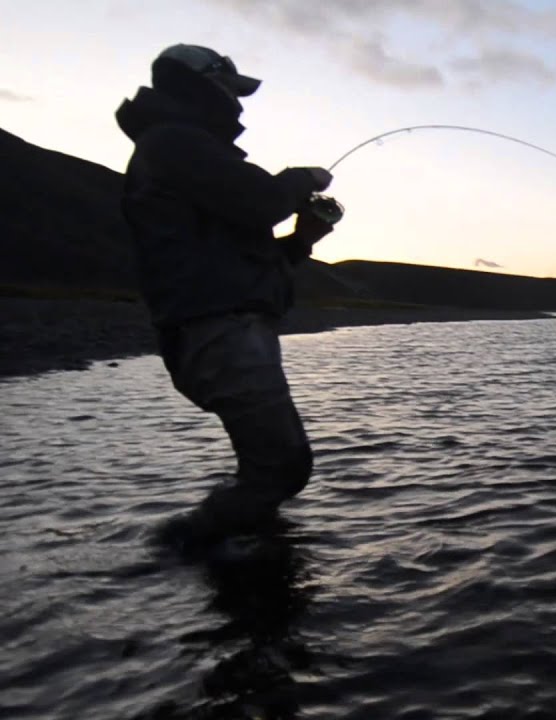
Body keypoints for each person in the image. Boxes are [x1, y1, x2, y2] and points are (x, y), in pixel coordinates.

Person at [116, 44, 336, 551]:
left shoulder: (189, 152)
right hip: (217, 331)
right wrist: (304, 179)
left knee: (275, 467)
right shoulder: (172, 143)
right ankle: (173, 553)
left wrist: (303, 240)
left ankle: (244, 552)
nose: (237, 104)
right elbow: (259, 203)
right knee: (281, 467)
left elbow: (242, 259)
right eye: (229, 89)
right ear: (195, 84)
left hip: (228, 330)